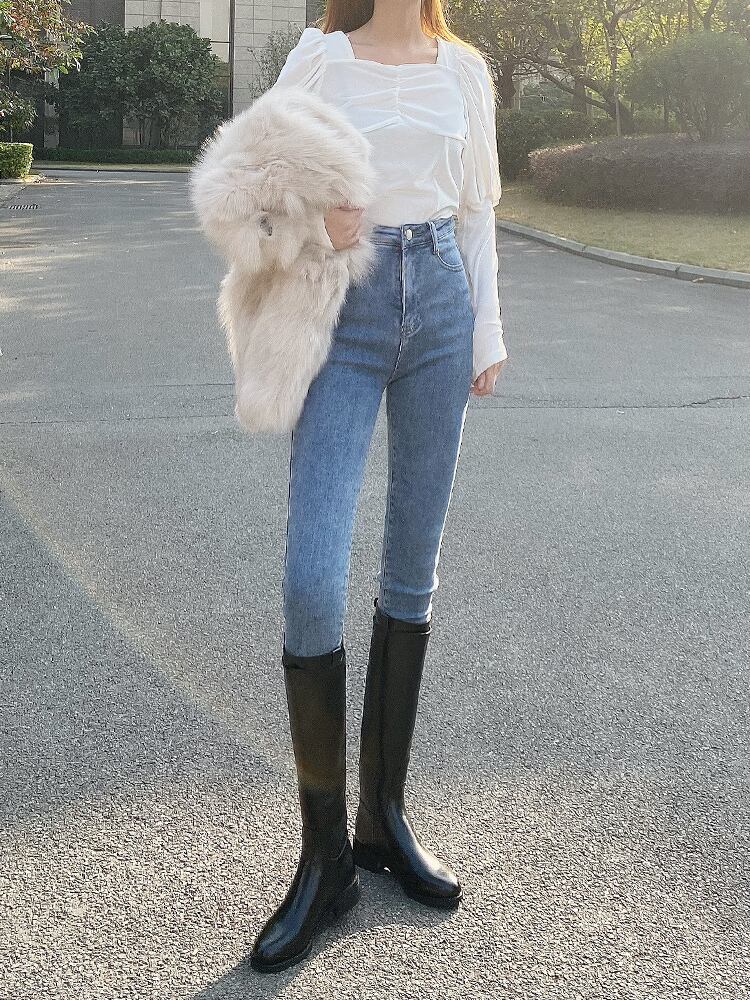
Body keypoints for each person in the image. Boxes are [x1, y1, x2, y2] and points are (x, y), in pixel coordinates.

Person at [250, 0, 508, 974]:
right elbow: (247, 190)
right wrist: (316, 219)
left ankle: (381, 820)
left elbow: (477, 211)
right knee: (311, 579)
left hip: (441, 304)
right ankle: (324, 862)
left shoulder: (464, 71)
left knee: (413, 570)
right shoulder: (322, 59)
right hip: (344, 311)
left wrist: (486, 332)